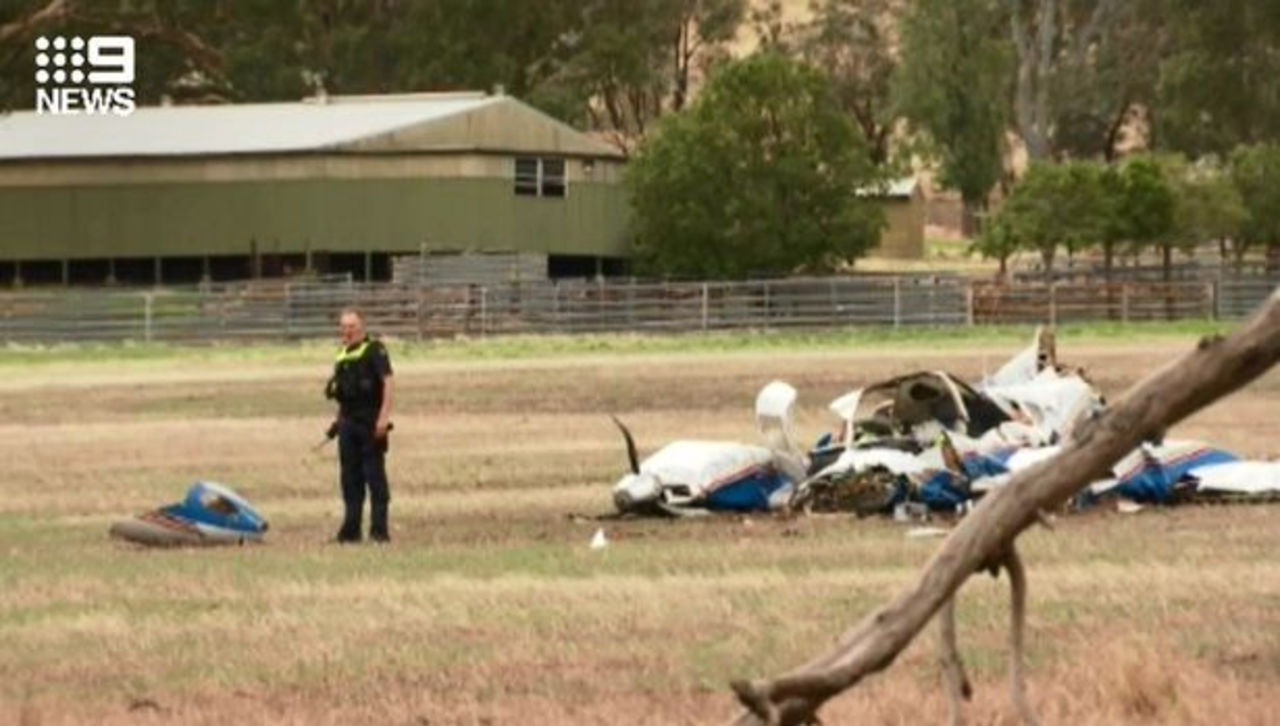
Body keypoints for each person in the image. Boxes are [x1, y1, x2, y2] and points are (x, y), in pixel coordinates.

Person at [324, 309, 394, 543]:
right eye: (343, 326)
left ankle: (379, 532)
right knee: (350, 480)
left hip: (370, 423)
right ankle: (350, 532)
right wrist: (337, 423)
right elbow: (343, 394)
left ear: (362, 327)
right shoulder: (342, 355)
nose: (347, 331)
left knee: (374, 478)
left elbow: (388, 383)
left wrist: (383, 418)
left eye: (352, 326)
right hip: (347, 425)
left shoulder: (375, 349)